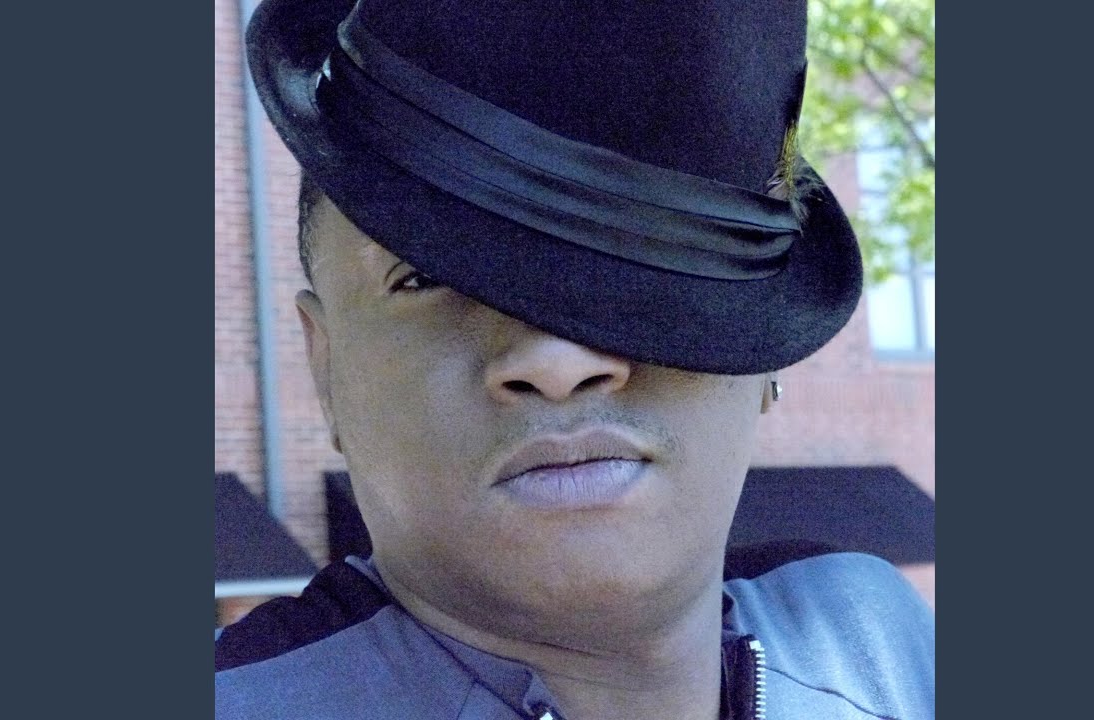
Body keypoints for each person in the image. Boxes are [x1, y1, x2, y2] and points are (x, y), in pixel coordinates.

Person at [215, 0, 934, 718]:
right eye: (423, 276)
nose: (556, 361)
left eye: (650, 251)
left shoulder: (889, 654)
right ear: (325, 368)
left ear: (764, 355)